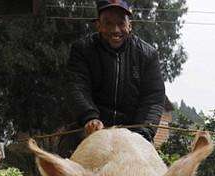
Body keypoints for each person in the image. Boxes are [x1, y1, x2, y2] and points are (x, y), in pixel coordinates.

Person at [58, 0, 166, 158]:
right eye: (108, 23)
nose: (115, 30)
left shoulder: (148, 55)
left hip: (133, 134)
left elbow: (154, 97)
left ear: (130, 25)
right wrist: (89, 117)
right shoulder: (82, 50)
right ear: (98, 25)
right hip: (90, 129)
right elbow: (76, 86)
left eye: (121, 23)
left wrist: (143, 133)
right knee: (66, 168)